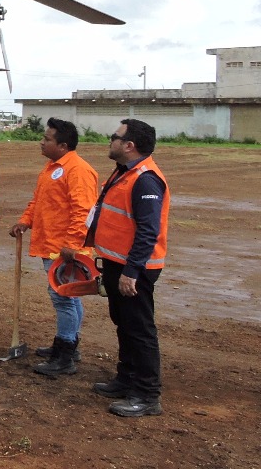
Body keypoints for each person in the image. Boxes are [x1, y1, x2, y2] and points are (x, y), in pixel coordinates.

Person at [83, 119, 169, 418]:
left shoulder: (145, 180)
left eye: (115, 137)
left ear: (129, 145)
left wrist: (132, 272)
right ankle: (126, 378)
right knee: (124, 323)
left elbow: (148, 230)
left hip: (135, 267)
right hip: (116, 261)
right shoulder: (124, 172)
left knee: (140, 329)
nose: (111, 141)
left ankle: (147, 395)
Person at [9, 117, 98, 376]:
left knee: (63, 298)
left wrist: (72, 245)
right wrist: (25, 222)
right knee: (68, 296)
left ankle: (65, 354)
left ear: (63, 145)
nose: (41, 142)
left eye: (47, 139)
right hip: (53, 244)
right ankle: (69, 343)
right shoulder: (52, 167)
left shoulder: (77, 170)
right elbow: (39, 201)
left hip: (66, 250)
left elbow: (84, 212)